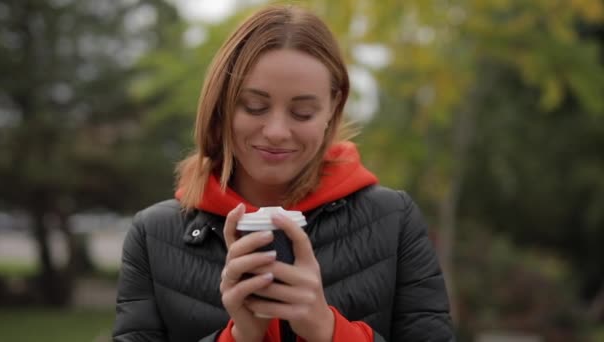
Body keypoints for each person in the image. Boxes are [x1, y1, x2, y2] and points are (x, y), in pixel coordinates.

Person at [112, 4, 454, 342]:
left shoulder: (393, 220)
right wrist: (240, 337)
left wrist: (328, 330)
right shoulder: (153, 235)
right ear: (222, 105)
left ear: (333, 107)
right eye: (254, 107)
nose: (276, 131)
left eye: (302, 112)